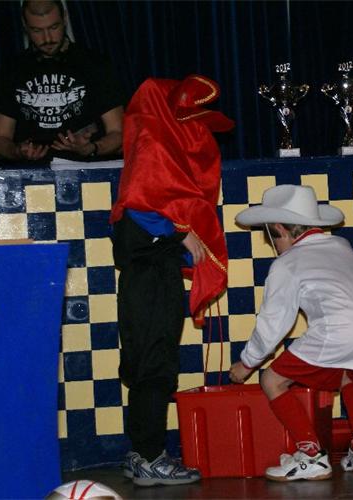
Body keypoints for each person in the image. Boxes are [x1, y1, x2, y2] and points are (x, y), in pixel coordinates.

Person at [109, 74, 234, 486]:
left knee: (144, 362)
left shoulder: (147, 144)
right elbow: (142, 206)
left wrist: (178, 238)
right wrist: (181, 232)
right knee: (155, 364)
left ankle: (140, 453)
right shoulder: (154, 144)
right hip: (150, 280)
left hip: (144, 277)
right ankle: (150, 457)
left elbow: (145, 207)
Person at [229, 185, 353, 482]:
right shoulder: (341, 244)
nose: (273, 245)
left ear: (280, 228)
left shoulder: (286, 263)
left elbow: (273, 324)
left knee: (272, 380)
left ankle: (312, 456)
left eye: (271, 237)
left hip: (339, 330)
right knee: (350, 375)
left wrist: (247, 363)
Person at [0, 0, 125, 164]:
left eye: (54, 27)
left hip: (87, 169)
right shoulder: (13, 70)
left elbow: (119, 133)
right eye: (37, 30)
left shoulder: (95, 65)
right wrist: (17, 151)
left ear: (65, 18)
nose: (47, 39)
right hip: (32, 173)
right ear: (25, 26)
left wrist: (92, 148)